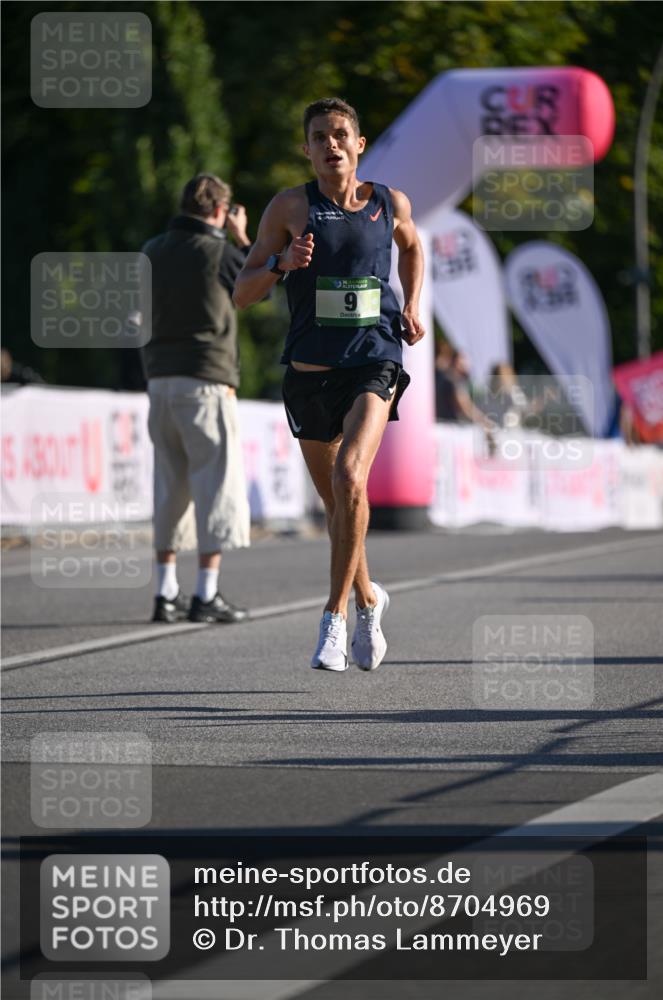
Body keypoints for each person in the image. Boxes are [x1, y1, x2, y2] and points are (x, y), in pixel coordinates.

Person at [234, 97, 425, 672]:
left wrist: (411, 304)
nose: (330, 144)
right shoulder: (290, 207)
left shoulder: (389, 202)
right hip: (310, 373)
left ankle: (333, 617)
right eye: (319, 136)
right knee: (339, 503)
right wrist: (282, 264)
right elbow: (242, 292)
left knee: (350, 477)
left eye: (340, 134)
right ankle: (369, 599)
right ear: (307, 149)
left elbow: (412, 247)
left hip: (373, 361)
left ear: (359, 144)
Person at [141, 173, 252, 625]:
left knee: (169, 488)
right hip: (206, 380)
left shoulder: (151, 250)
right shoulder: (220, 252)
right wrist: (243, 239)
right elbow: (255, 288)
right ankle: (206, 592)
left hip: (159, 380)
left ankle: (165, 592)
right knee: (215, 486)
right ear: (221, 211)